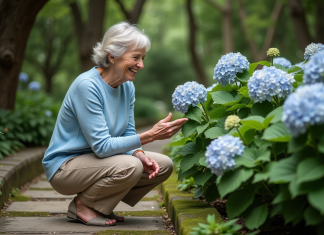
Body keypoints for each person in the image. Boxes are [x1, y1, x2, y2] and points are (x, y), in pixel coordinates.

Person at [42, 22, 188, 227]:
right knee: (130, 166)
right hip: (66, 166)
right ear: (112, 56)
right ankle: (82, 205)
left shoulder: (127, 86)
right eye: (135, 57)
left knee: (163, 165)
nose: (141, 65)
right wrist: (150, 136)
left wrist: (139, 153)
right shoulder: (87, 86)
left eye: (142, 58)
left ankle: (100, 205)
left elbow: (128, 130)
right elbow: (102, 147)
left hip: (98, 161)